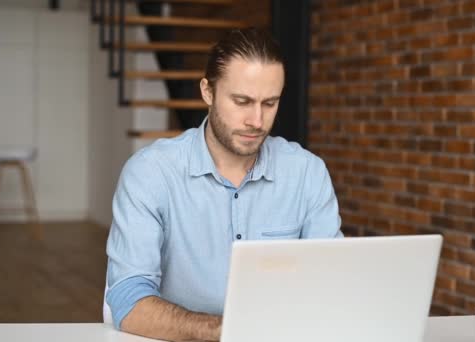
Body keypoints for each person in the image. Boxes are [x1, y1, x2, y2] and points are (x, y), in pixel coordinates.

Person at [105, 27, 342, 341]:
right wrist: (229, 331)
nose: (256, 121)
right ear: (207, 91)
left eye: (269, 103)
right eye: (242, 101)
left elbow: (331, 285)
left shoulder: (307, 173)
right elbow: (128, 301)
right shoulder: (151, 173)